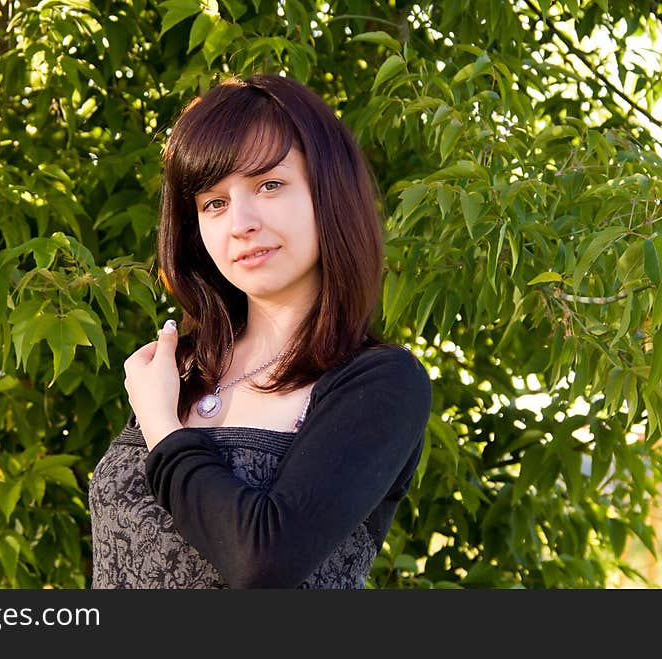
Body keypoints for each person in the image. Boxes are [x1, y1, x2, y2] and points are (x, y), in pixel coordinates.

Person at [88, 74, 432, 589]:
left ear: (330, 193)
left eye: (269, 185)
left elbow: (262, 562)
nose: (240, 222)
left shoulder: (380, 383)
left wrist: (161, 422)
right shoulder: (180, 367)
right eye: (213, 203)